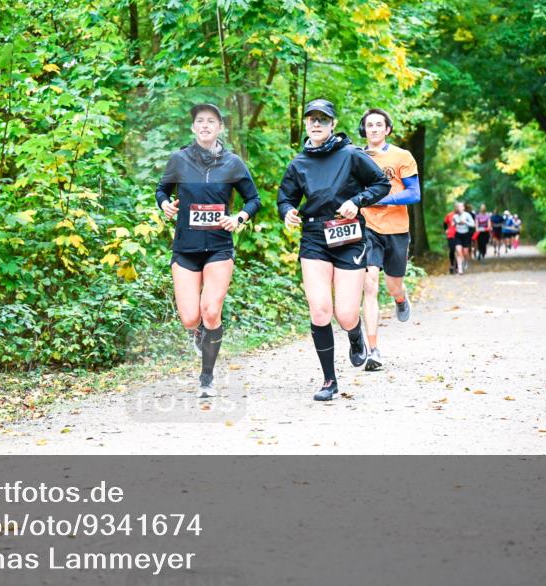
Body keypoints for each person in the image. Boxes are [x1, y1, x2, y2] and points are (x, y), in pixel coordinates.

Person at [277, 99, 390, 401]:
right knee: (319, 309)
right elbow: (285, 198)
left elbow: (381, 183)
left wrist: (358, 201)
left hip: (348, 234)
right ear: (306, 124)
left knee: (346, 313)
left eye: (322, 120)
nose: (316, 124)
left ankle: (355, 335)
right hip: (314, 236)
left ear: (333, 125)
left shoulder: (351, 155)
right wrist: (287, 211)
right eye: (311, 119)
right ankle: (329, 380)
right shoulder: (298, 163)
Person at [156, 103, 261, 397]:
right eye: (200, 121)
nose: (205, 125)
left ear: (219, 128)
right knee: (191, 318)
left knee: (211, 311)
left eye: (211, 121)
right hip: (186, 248)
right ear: (193, 128)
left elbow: (253, 199)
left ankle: (207, 378)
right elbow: (162, 190)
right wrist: (164, 204)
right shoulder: (178, 160)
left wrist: (239, 218)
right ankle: (200, 332)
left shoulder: (233, 163)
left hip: (218, 247)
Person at [357, 108, 420, 371]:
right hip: (367, 228)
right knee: (369, 286)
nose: (373, 128)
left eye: (378, 124)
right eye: (369, 125)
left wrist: (384, 199)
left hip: (396, 228)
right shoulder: (356, 157)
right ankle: (373, 350)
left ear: (387, 129)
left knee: (394, 284)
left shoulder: (402, 156)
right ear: (364, 129)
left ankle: (400, 298)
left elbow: (414, 193)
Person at [452, 202, 475, 274]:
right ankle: (460, 268)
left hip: (466, 235)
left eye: (460, 207)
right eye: (458, 207)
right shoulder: (455, 216)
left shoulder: (467, 215)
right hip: (458, 234)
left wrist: (465, 222)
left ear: (463, 208)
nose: (459, 208)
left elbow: (473, 225)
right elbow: (452, 225)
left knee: (465, 252)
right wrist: (456, 223)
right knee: (458, 251)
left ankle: (466, 261)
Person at [444, 207, 458, 274]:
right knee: (452, 250)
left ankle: (458, 266)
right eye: (457, 207)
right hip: (451, 235)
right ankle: (452, 265)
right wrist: (446, 229)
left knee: (458, 250)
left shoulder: (463, 215)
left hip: (459, 234)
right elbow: (444, 223)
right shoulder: (449, 215)